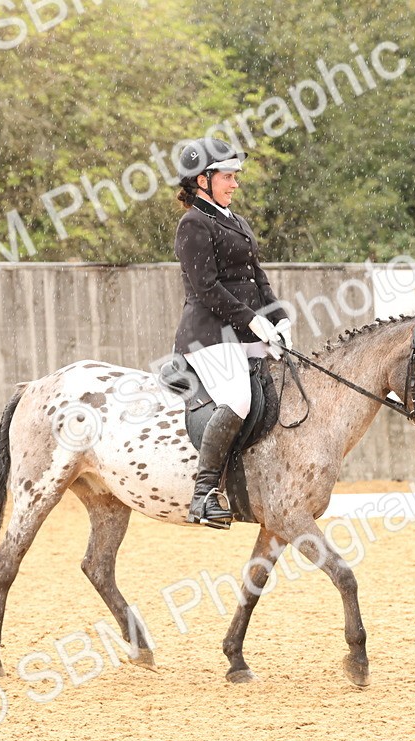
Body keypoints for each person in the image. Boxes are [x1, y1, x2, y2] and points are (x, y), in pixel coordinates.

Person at [172, 137, 293, 529]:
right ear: (202, 180)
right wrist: (252, 321)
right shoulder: (193, 223)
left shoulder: (235, 221)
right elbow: (207, 288)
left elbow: (258, 279)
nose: (235, 183)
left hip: (242, 331)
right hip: (208, 336)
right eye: (227, 176)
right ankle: (204, 493)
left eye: (235, 176)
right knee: (239, 399)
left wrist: (278, 317)